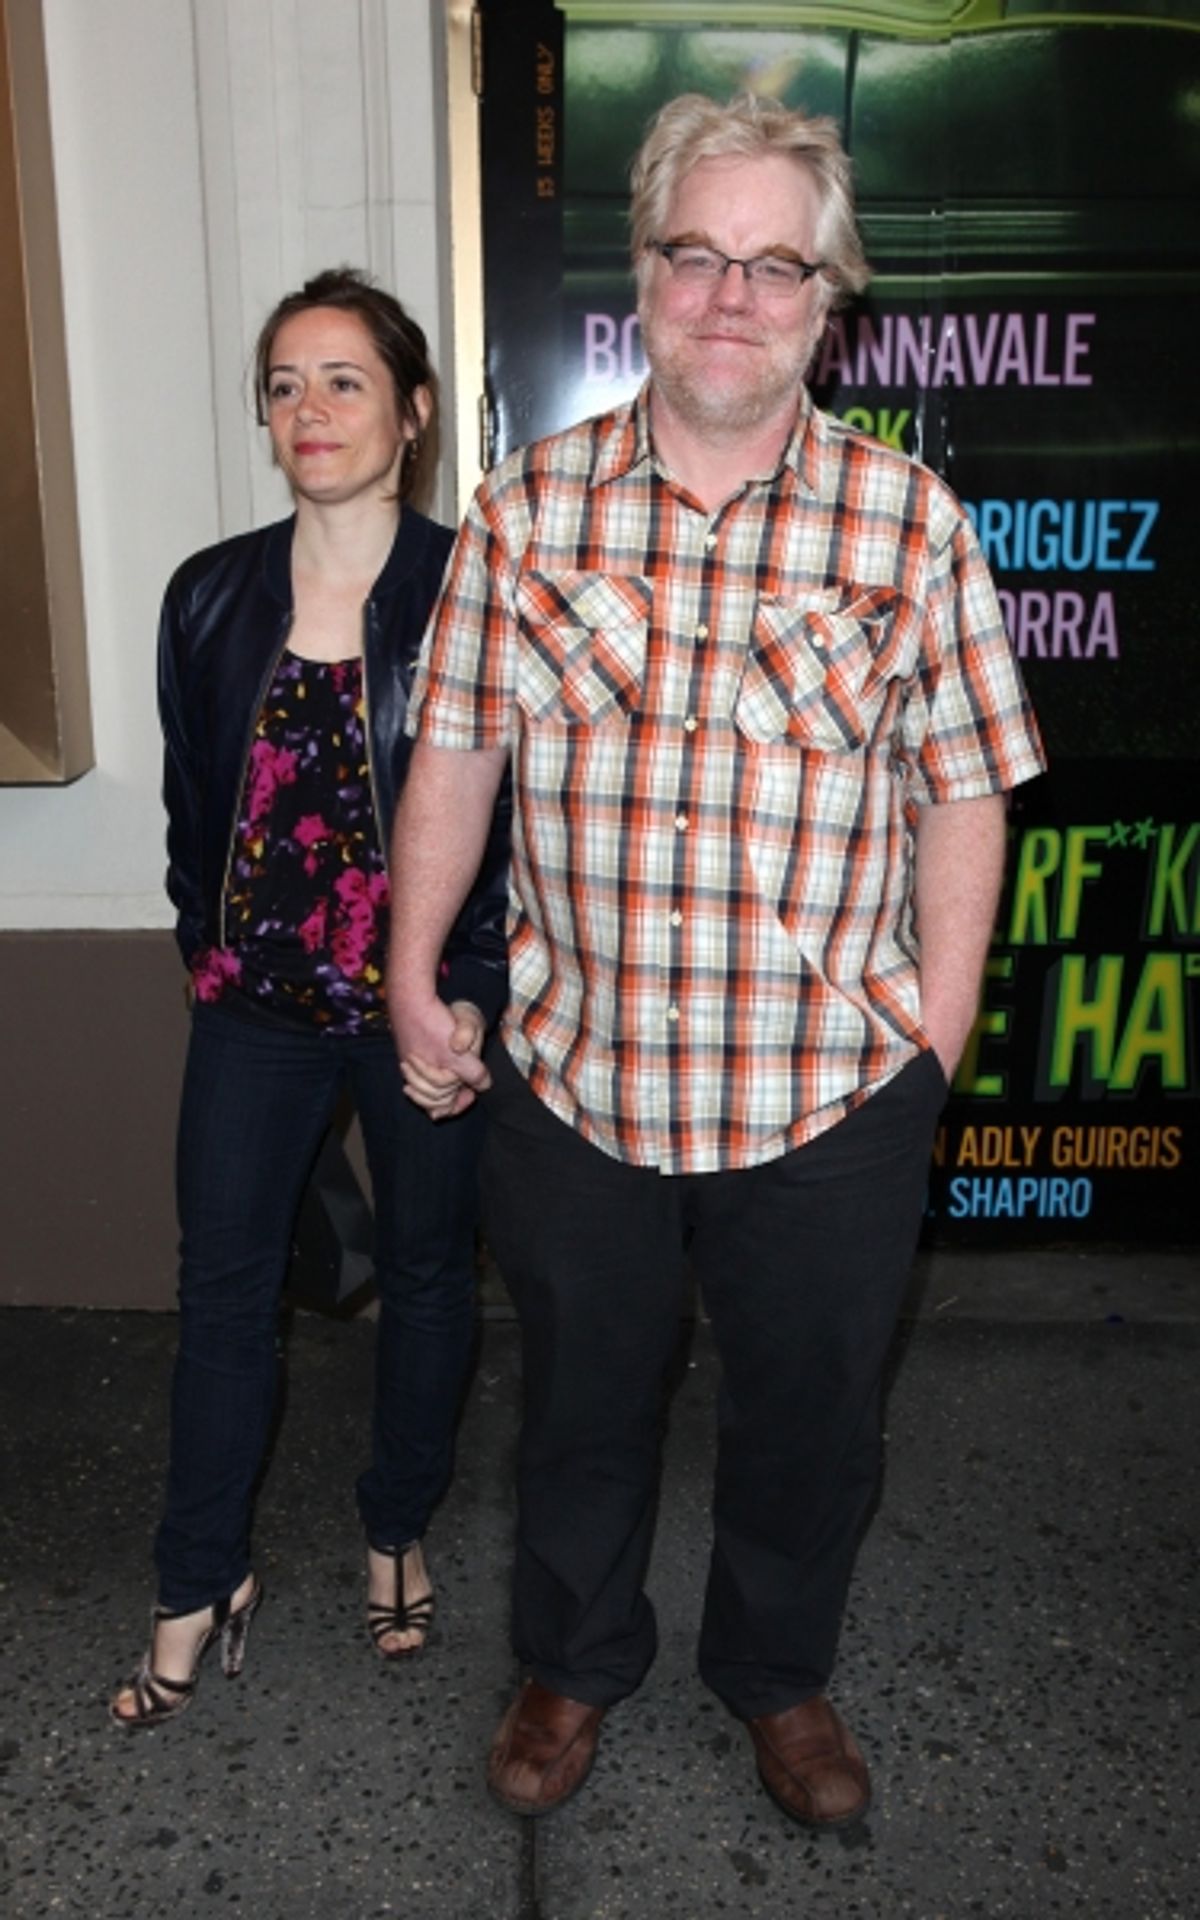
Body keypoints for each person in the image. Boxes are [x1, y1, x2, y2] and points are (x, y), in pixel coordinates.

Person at [387, 94, 1045, 1827]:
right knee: (580, 1411)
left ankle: (780, 1678)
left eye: (777, 264)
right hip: (579, 1076)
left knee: (812, 1427)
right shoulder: (526, 513)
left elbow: (967, 794)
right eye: (700, 254)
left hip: (829, 1091)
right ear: (645, 270)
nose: (732, 296)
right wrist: (407, 966)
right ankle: (573, 1658)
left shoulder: (910, 526)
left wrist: (938, 1042)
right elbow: (452, 755)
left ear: (830, 299)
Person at [110, 268, 508, 1729]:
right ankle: (195, 1577)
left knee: (421, 1275)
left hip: (420, 1014)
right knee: (221, 1293)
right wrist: (207, 960)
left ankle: (394, 1522)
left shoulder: (476, 591)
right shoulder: (209, 597)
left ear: (410, 413)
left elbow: (511, 829)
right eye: (284, 385)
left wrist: (468, 1000)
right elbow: (189, 817)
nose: (309, 409)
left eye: (344, 380)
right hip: (256, 1014)